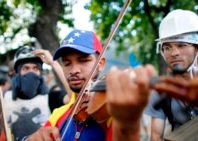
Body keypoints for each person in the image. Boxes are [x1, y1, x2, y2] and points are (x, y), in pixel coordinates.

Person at [23, 29, 153, 141]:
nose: (74, 70)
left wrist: (128, 122)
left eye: (84, 60)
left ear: (100, 64)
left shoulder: (111, 112)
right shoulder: (58, 114)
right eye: (67, 63)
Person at [144, 9, 198, 141]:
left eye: (181, 45)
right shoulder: (161, 91)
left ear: (197, 47)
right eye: (167, 47)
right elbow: (156, 136)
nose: (174, 53)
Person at [3, 46, 50, 141]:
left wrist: (53, 63)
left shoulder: (50, 96)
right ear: (18, 72)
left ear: (40, 72)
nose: (31, 73)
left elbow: (73, 98)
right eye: (26, 68)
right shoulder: (4, 98)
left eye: (36, 68)